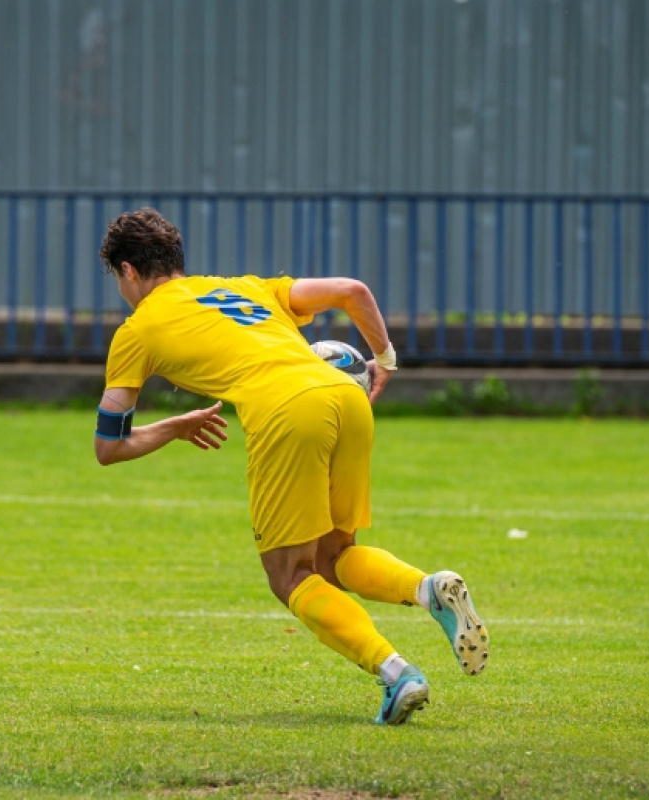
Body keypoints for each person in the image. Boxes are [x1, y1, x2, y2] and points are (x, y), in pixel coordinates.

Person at [94, 207, 489, 725]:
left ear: (127, 271)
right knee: (333, 556)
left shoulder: (137, 329)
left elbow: (110, 445)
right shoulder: (246, 288)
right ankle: (427, 587)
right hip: (347, 398)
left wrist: (172, 426)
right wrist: (385, 361)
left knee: (289, 575)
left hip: (287, 411)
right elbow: (353, 291)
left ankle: (398, 674)